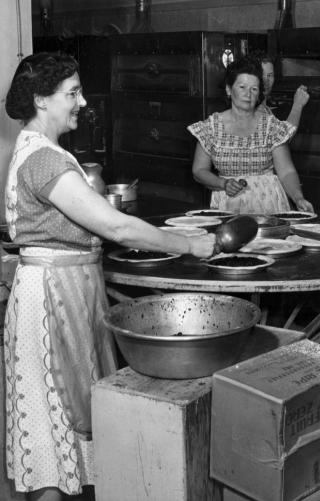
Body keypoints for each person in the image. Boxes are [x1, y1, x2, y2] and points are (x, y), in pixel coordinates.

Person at [3, 52, 216, 501]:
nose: (81, 102)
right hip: (50, 299)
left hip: (72, 289)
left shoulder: (47, 152)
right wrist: (189, 244)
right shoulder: (42, 160)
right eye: (72, 93)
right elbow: (114, 226)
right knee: (51, 421)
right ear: (42, 100)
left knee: (72, 414)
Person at [188, 56, 313, 214]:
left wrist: (298, 198)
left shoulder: (270, 126)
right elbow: (199, 171)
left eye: (254, 89)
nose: (248, 94)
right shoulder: (211, 127)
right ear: (228, 89)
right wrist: (222, 183)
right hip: (229, 206)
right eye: (242, 87)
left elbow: (286, 171)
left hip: (269, 205)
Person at [254, 52, 309, 128]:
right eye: (261, 75)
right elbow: (283, 137)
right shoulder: (251, 108)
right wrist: (297, 105)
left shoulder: (264, 107)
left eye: (270, 75)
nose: (266, 80)